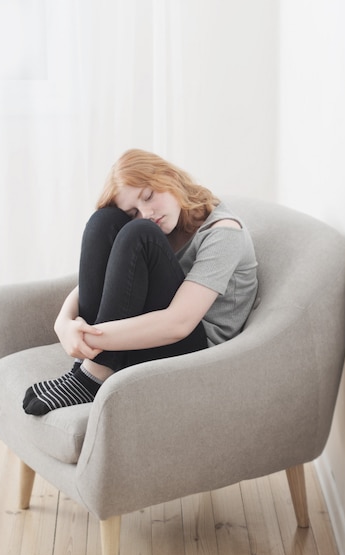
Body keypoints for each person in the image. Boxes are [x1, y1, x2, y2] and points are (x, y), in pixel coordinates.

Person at [22, 149, 258, 415]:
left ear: (169, 176)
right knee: (105, 221)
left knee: (141, 233)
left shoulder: (224, 232)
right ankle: (91, 369)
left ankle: (92, 374)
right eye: (134, 210)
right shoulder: (167, 225)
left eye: (148, 196)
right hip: (150, 334)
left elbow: (178, 324)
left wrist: (90, 339)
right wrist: (64, 323)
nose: (147, 212)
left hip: (199, 353)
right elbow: (103, 278)